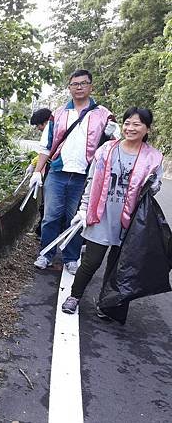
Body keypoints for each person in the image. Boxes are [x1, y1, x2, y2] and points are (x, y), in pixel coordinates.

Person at [61, 107, 164, 315]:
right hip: (101, 216)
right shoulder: (106, 149)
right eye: (127, 123)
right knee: (91, 261)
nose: (130, 128)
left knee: (117, 266)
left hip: (131, 222)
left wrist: (152, 184)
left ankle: (106, 304)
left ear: (147, 129)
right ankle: (74, 296)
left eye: (137, 124)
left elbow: (154, 189)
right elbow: (92, 180)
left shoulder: (154, 158)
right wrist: (83, 209)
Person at [30, 69, 119, 274]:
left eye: (83, 83)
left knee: (76, 218)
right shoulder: (59, 113)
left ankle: (72, 257)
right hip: (58, 172)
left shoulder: (104, 114)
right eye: (75, 84)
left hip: (86, 176)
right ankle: (46, 254)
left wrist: (111, 136)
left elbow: (114, 147)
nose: (79, 87)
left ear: (91, 86)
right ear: (69, 88)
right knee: (50, 216)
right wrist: (38, 171)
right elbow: (46, 145)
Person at [26, 108, 53, 237]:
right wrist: (34, 163)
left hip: (54, 170)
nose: (38, 128)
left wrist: (35, 166)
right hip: (49, 168)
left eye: (39, 125)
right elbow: (43, 153)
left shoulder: (55, 132)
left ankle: (42, 233)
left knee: (47, 203)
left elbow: (48, 152)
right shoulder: (50, 132)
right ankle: (41, 231)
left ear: (46, 122)